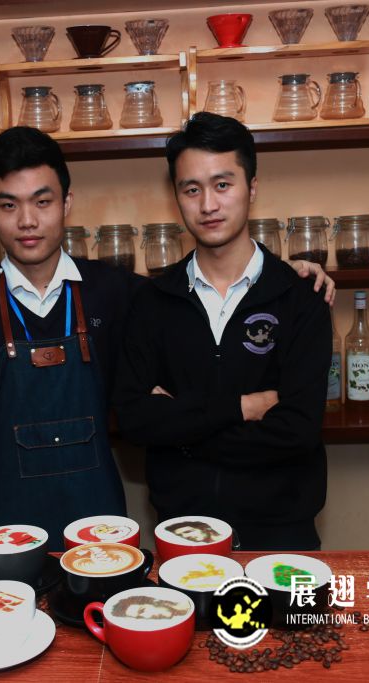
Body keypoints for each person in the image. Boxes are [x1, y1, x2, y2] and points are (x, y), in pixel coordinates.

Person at [0, 126, 335, 553]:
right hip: (6, 521)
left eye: (42, 202)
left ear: (66, 203)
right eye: (9, 205)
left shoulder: (120, 292)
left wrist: (288, 275)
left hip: (103, 521)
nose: (27, 221)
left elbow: (296, 422)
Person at [113, 112, 334, 551]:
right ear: (176, 197)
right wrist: (243, 408)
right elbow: (134, 420)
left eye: (222, 184)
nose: (208, 205)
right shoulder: (153, 301)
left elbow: (297, 430)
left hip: (282, 535)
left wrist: (181, 433)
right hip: (181, 534)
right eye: (191, 189)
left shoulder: (300, 296)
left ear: (252, 187)